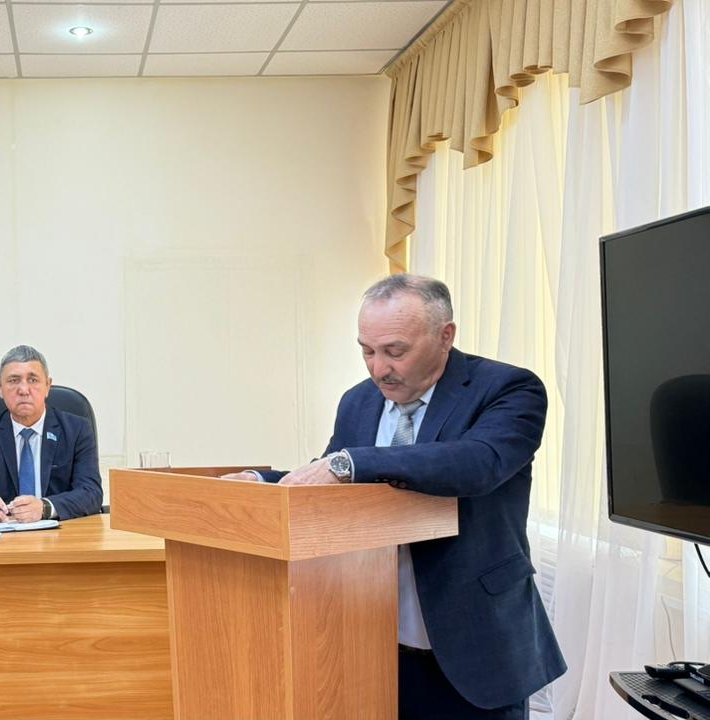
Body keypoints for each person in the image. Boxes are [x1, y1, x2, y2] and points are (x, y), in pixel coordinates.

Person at [225, 274, 565, 720]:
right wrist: (262, 481)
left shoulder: (508, 388)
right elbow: (330, 477)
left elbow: (477, 464)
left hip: (476, 643)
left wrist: (350, 463)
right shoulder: (358, 402)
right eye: (367, 351)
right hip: (371, 643)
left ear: (445, 336)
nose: (378, 369)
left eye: (395, 351)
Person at [0, 345, 103, 523]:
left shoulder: (77, 429)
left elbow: (91, 493)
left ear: (48, 386)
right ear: (0, 388)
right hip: (3, 534)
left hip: (60, 533)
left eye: (33, 380)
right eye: (13, 380)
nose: (24, 390)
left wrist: (45, 507)